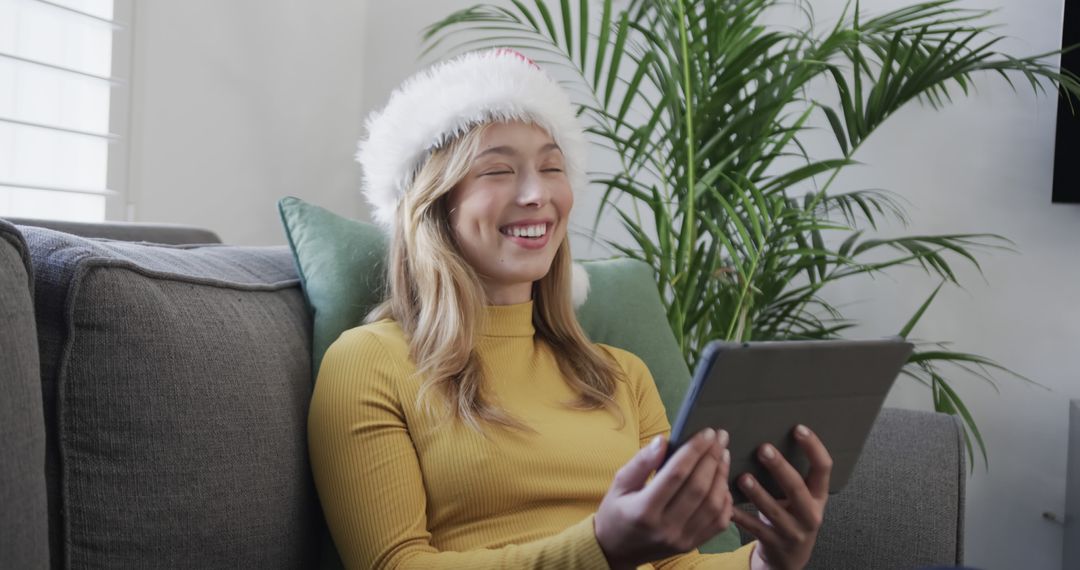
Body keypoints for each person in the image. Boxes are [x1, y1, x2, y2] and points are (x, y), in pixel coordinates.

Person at [307, 48, 833, 570]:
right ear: (434, 203)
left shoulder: (621, 375)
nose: (538, 193)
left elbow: (679, 567)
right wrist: (601, 549)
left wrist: (769, 560)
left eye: (552, 166)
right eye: (497, 171)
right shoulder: (370, 362)